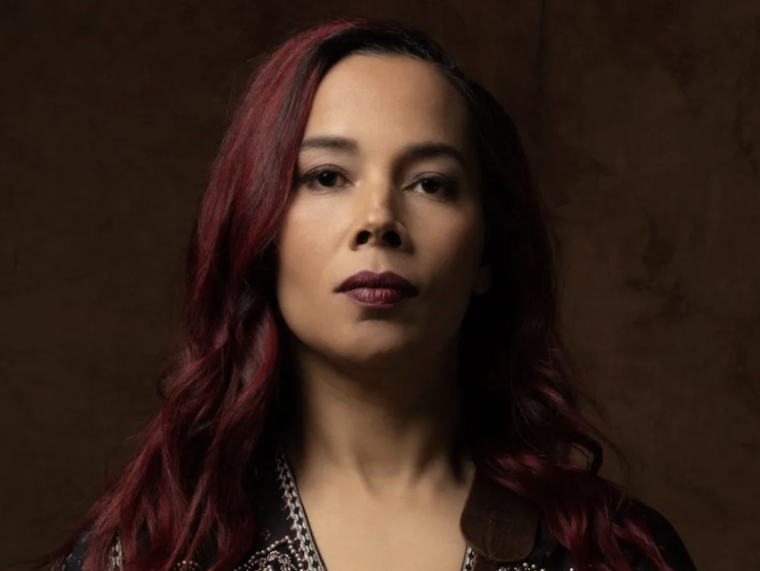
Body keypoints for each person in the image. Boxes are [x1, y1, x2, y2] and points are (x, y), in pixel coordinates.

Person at [50, 17, 697, 571]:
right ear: (260, 233)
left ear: (487, 253)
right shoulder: (147, 552)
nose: (379, 218)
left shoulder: (612, 552)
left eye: (431, 183)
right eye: (328, 176)